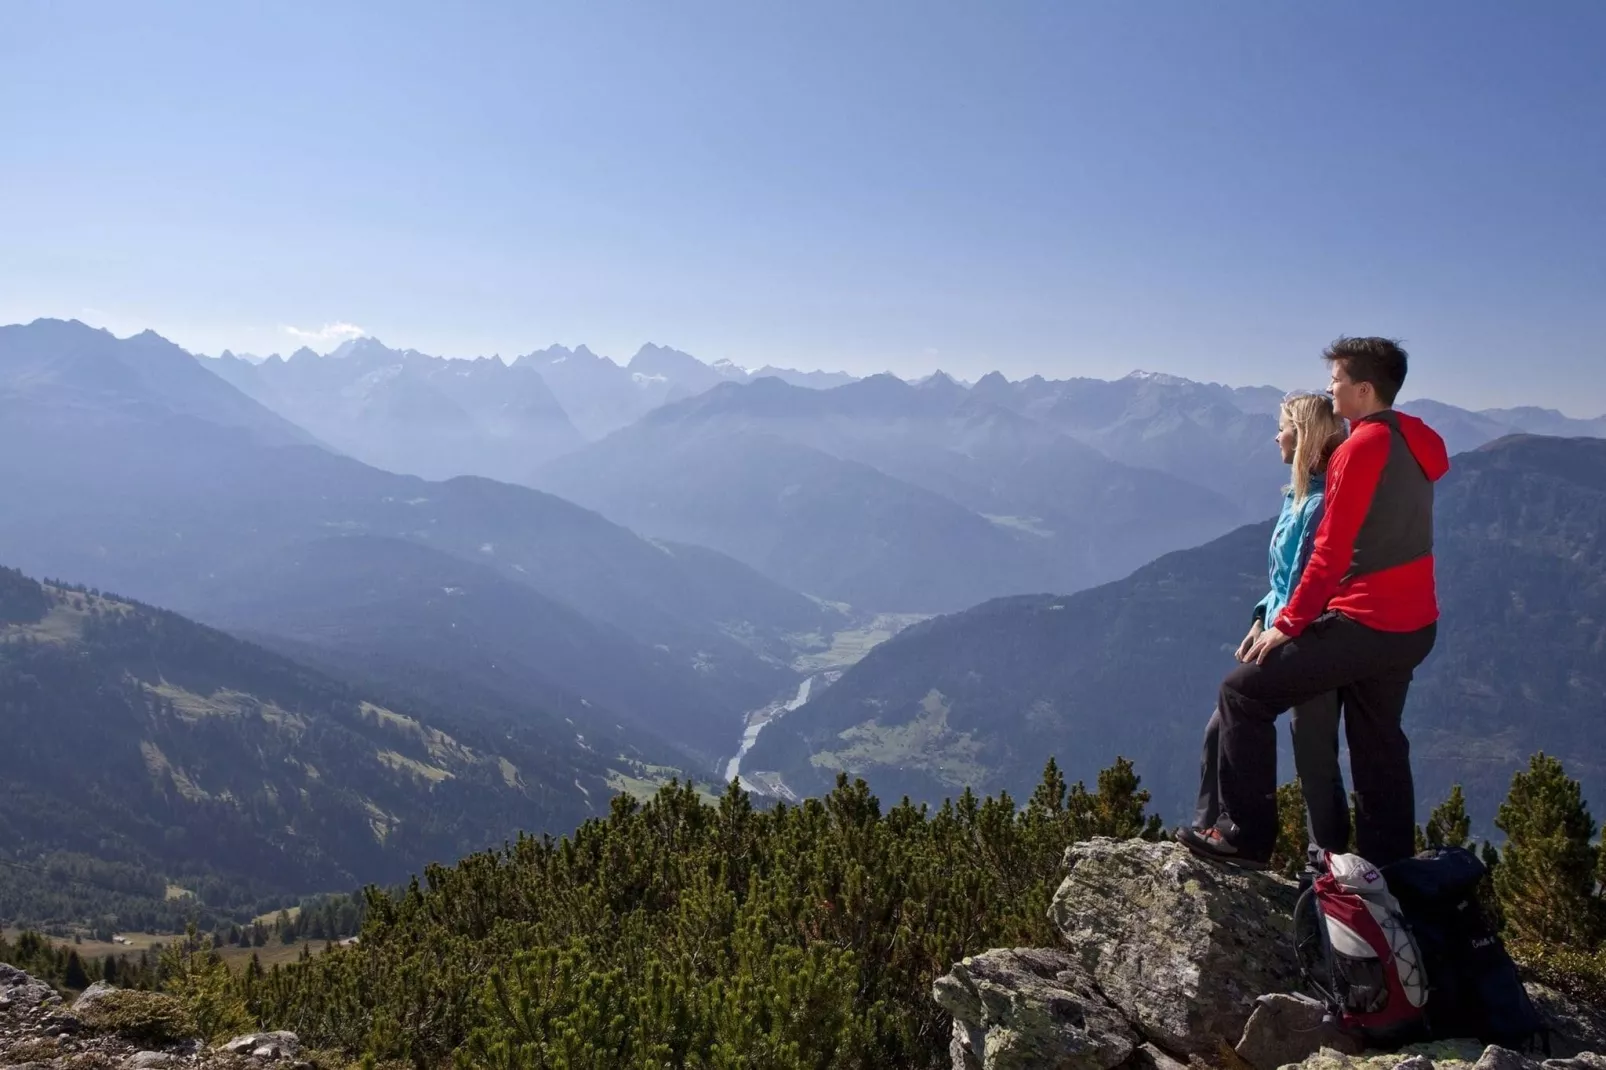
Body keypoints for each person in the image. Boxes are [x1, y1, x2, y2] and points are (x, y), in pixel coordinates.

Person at [1180, 336, 1449, 869]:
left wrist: (1289, 624)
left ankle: (1245, 836)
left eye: (1338, 381)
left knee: (1242, 694)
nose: (1332, 388)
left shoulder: (1360, 448)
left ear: (1364, 389)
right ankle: (1385, 871)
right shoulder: (1418, 439)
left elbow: (1330, 549)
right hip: (1414, 624)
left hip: (1365, 619)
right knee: (1378, 743)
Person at [1193, 391, 1350, 855]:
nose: (1275, 436)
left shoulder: (1319, 504)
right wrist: (1261, 616)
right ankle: (1212, 829)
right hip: (1284, 627)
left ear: (1302, 436)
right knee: (1225, 729)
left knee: (1314, 751)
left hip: (1311, 636)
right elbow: (1284, 581)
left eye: (1282, 427)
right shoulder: (1300, 496)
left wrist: (1274, 627)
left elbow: (1309, 583)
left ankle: (1324, 859)